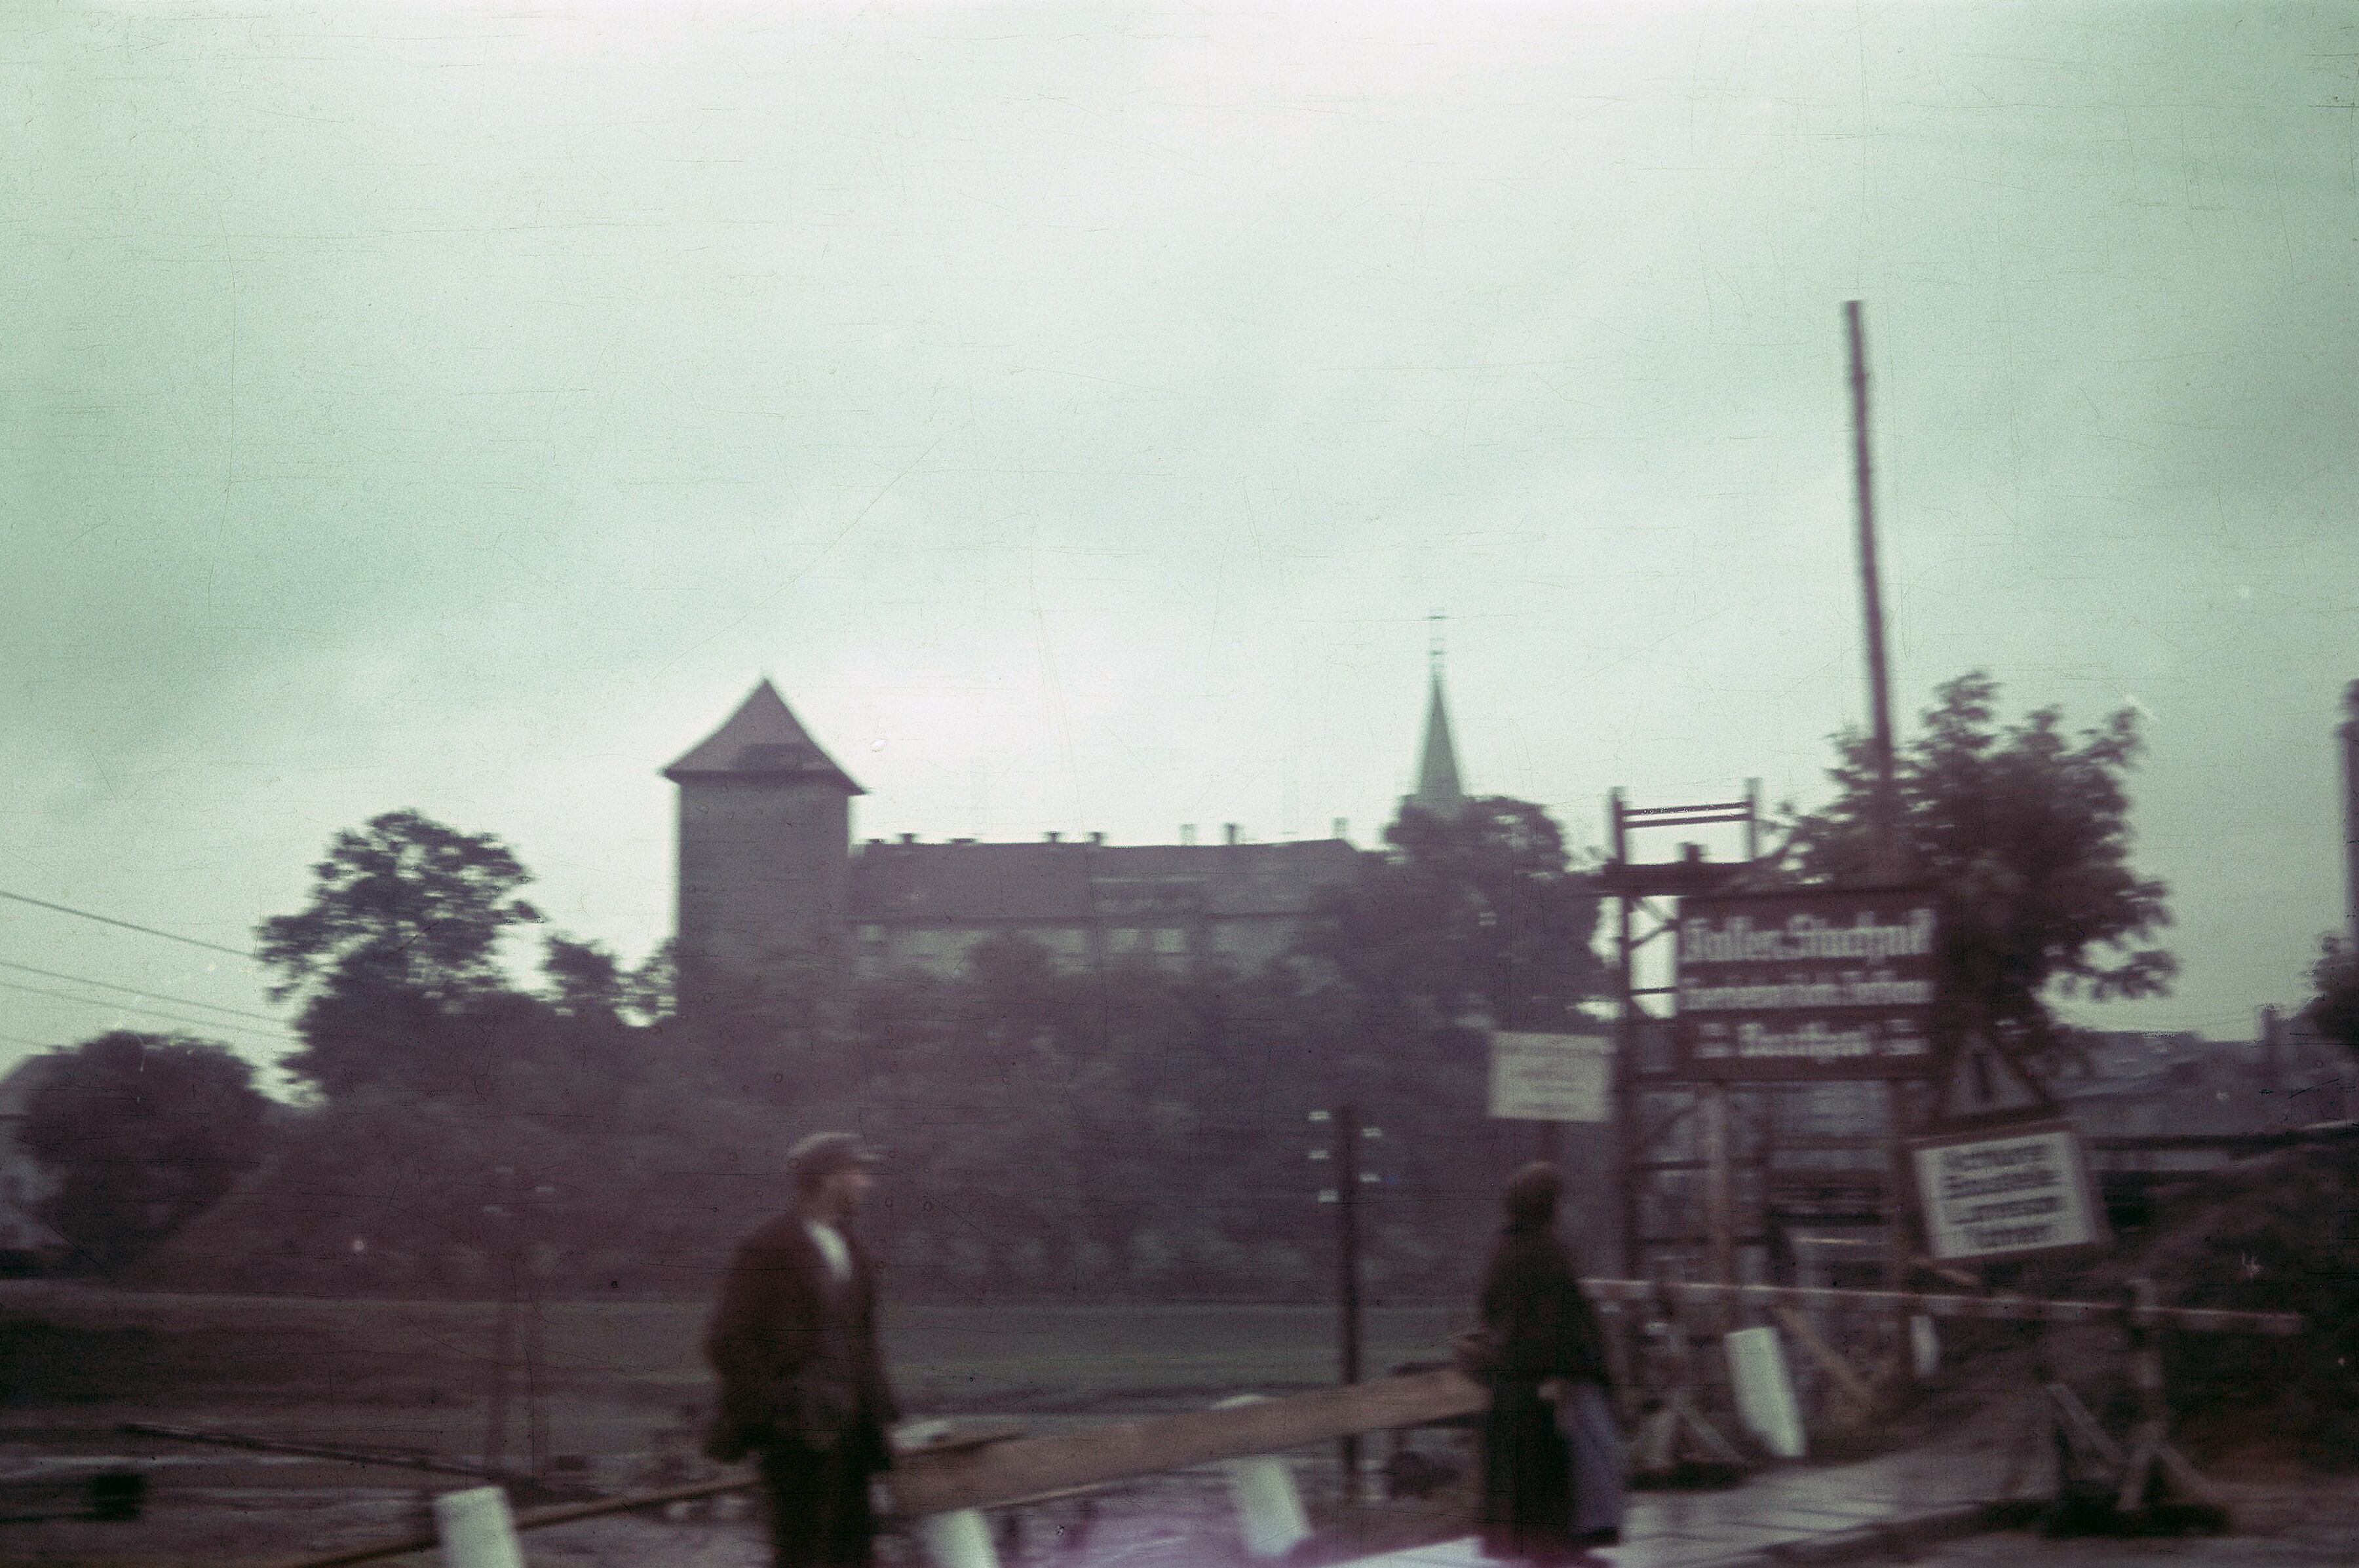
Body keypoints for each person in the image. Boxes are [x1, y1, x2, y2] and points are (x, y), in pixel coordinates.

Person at [705, 1132, 901, 1568]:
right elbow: (725, 1341)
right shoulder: (767, 1247)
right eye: (858, 1172)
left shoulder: (851, 1246)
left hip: (854, 1433)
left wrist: (881, 1412)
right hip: (795, 1438)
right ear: (830, 1178)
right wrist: (779, 1405)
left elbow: (862, 1339)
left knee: (854, 1555)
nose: (866, 1183)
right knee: (802, 1555)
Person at [1462, 1161, 1624, 1565]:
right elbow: (1568, 1319)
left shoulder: (1502, 1246)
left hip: (1508, 1381)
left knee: (1513, 1477)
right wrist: (1595, 1369)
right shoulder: (1549, 1249)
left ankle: (1522, 1546)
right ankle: (1560, 1547)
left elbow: (1489, 1306)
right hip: (1542, 1383)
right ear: (1546, 1204)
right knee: (1555, 1470)